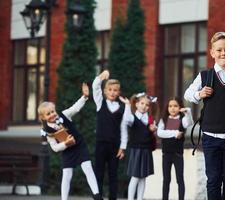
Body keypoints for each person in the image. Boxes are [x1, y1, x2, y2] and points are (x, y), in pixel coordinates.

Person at [184, 32, 225, 200]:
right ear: (212, 52)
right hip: (210, 137)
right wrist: (200, 93)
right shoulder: (204, 76)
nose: (223, 53)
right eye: (219, 50)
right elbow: (188, 94)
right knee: (213, 179)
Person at [37, 83, 101, 200]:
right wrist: (65, 144)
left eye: (53, 111)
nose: (52, 114)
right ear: (43, 118)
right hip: (67, 151)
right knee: (67, 175)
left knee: (88, 167)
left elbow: (75, 108)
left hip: (79, 145)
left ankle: (97, 196)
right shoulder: (48, 131)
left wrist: (84, 97)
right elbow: (55, 148)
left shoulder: (64, 115)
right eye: (48, 114)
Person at [92, 70, 129, 200]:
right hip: (101, 144)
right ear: (105, 91)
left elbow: (124, 128)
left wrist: (122, 147)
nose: (113, 92)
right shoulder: (99, 103)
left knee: (113, 175)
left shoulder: (122, 108)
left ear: (118, 92)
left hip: (115, 146)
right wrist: (101, 76)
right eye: (110, 89)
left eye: (115, 90)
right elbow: (95, 86)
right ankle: (98, 198)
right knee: (99, 174)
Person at [122, 92, 157, 200]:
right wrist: (127, 106)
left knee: (143, 177)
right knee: (135, 177)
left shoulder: (150, 120)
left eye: (147, 105)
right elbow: (126, 119)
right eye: (142, 103)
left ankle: (140, 198)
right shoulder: (132, 118)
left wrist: (153, 130)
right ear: (136, 104)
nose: (144, 106)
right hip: (136, 150)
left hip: (146, 149)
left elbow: (153, 134)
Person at [157, 97, 193, 200]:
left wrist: (188, 112)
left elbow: (189, 123)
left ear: (180, 107)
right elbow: (160, 133)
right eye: (170, 106)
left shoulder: (182, 119)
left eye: (175, 106)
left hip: (178, 154)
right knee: (166, 179)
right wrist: (175, 133)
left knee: (180, 179)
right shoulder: (164, 119)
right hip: (166, 154)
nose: (172, 108)